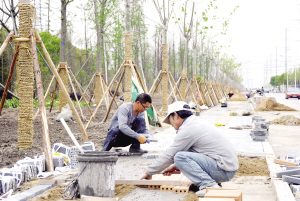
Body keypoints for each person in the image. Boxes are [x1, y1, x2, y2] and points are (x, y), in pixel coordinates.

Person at [139, 101, 239, 197]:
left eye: (170, 120)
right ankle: (212, 182)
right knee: (180, 155)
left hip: (224, 171)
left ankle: (209, 185)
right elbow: (195, 152)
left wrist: (149, 171)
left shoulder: (187, 129)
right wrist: (175, 166)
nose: (171, 125)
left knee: (179, 156)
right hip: (227, 168)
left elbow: (170, 155)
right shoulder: (195, 122)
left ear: (176, 115)